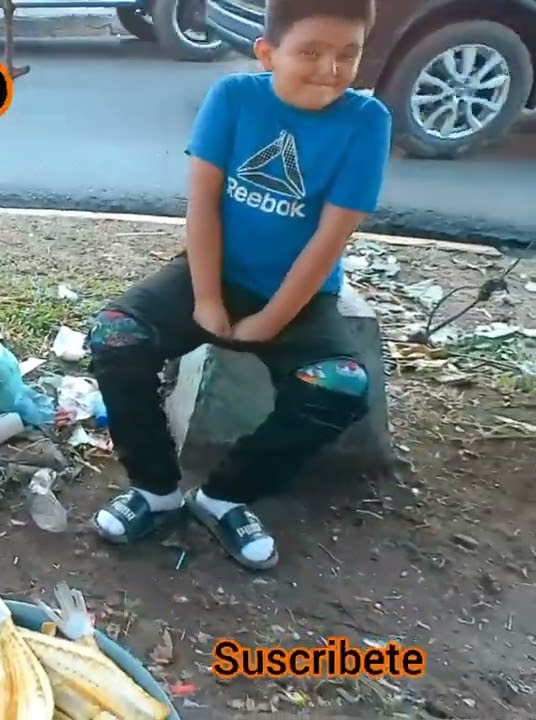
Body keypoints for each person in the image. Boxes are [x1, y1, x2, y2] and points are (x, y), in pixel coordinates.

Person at [87, 0, 391, 571]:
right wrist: (206, 298)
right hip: (214, 273)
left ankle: (226, 496)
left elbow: (330, 238)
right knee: (114, 335)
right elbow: (202, 204)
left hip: (299, 296)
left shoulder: (367, 121)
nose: (330, 69)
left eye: (348, 55)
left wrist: (271, 320)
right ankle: (155, 489)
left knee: (341, 387)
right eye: (311, 52)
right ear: (268, 52)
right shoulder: (233, 99)